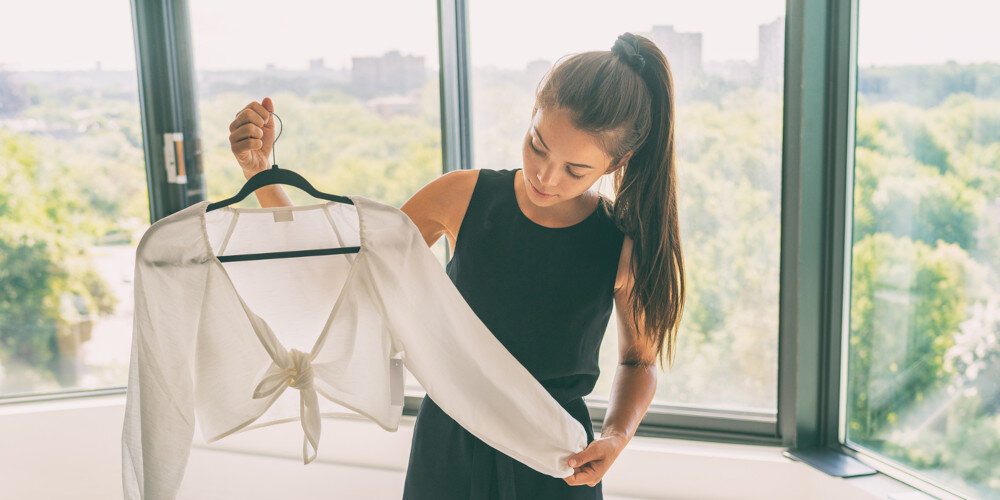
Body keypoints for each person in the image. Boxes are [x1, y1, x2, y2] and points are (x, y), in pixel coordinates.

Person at [227, 31, 684, 500]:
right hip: (448, 451)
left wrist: (616, 436)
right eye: (537, 145)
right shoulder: (460, 196)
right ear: (532, 114)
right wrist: (261, 175)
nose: (545, 176)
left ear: (616, 163)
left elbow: (639, 360)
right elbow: (342, 281)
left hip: (558, 463)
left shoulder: (622, 243)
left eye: (575, 170)